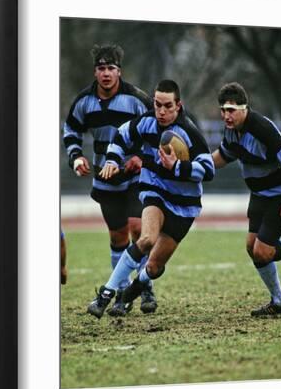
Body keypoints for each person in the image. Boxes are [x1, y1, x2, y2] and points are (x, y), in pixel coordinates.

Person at [87, 79, 215, 318]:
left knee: (154, 267)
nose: (162, 111)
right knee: (146, 239)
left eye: (168, 106)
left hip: (184, 206)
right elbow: (121, 137)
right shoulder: (146, 122)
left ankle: (132, 292)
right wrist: (113, 160)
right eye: (158, 105)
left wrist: (178, 167)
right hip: (154, 191)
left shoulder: (189, 132)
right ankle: (107, 292)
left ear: (179, 105)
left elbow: (208, 170)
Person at [63, 44, 156, 313]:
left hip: (136, 175)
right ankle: (124, 293)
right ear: (95, 72)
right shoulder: (84, 102)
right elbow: (71, 130)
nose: (106, 73)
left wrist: (140, 157)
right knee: (118, 237)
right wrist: (76, 156)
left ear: (119, 72)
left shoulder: (137, 99)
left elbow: (156, 129)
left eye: (111, 68)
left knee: (139, 229)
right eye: (101, 68)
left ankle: (146, 289)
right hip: (105, 177)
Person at [212, 82, 281, 316]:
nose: (226, 116)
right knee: (252, 248)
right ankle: (279, 303)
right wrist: (190, 168)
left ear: (244, 108)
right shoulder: (231, 130)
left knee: (263, 251)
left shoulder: (262, 129)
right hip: (260, 195)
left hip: (280, 195)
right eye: (223, 110)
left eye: (231, 110)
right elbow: (223, 156)